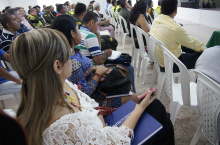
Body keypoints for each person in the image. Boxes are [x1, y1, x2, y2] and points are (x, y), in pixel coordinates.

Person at [10, 28, 175, 145]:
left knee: (157, 112)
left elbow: (86, 105)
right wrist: (139, 107)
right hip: (110, 135)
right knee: (159, 116)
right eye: (69, 55)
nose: (73, 57)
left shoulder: (57, 85)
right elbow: (116, 141)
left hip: (102, 126)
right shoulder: (64, 126)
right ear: (57, 66)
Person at [51, 14, 136, 108]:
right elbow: (84, 94)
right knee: (134, 97)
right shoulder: (72, 61)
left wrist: (95, 70)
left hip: (95, 86)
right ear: (72, 33)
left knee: (128, 86)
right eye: (78, 29)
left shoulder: (72, 52)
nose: (80, 32)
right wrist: (98, 74)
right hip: (93, 99)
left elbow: (83, 73)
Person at [76, 12, 136, 93]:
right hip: (95, 70)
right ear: (92, 23)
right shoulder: (89, 36)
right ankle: (133, 97)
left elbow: (98, 52)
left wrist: (98, 35)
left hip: (88, 69)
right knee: (130, 68)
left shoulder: (80, 33)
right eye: (97, 25)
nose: (97, 28)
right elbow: (99, 61)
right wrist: (107, 54)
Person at [150, 0, 206, 73]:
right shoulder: (175, 28)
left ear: (160, 9)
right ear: (176, 10)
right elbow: (192, 42)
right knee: (202, 57)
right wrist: (206, 49)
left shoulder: (156, 20)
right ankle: (200, 81)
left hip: (160, 59)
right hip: (171, 64)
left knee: (189, 46)